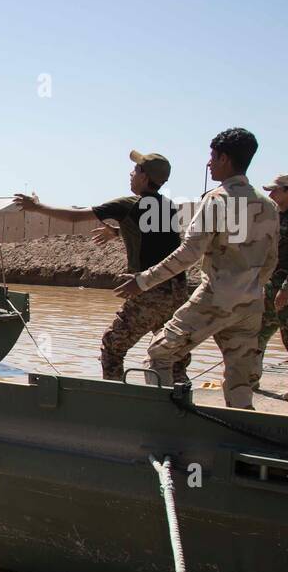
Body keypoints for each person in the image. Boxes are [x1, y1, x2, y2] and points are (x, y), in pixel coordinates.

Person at [115, 129, 278, 409]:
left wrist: (142, 281)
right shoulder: (269, 205)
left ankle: (163, 423)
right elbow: (271, 260)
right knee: (240, 380)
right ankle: (242, 435)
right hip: (251, 303)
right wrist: (249, 286)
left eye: (212, 157)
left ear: (225, 159)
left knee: (158, 355)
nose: (208, 163)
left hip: (215, 298)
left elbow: (189, 253)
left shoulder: (218, 200)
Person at [14, 150, 190, 382]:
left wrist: (38, 207)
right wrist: (119, 231)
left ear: (145, 177)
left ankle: (113, 397)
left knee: (112, 348)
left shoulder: (127, 204)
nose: (131, 173)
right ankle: (179, 399)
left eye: (136, 170)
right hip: (177, 291)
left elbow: (76, 216)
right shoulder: (167, 206)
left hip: (150, 291)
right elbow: (160, 238)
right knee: (172, 352)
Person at [250, 174, 288, 388]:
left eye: (275, 190)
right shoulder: (274, 217)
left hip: (286, 293)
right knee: (257, 336)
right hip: (267, 290)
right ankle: (251, 380)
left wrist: (287, 288)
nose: (270, 194)